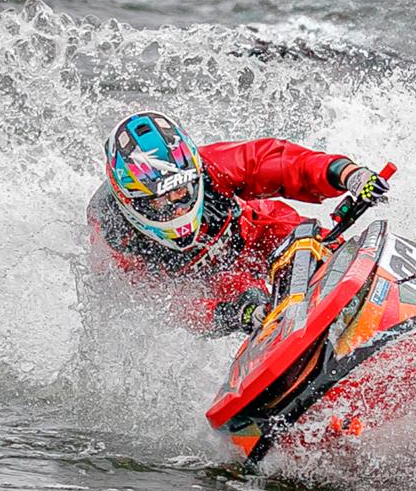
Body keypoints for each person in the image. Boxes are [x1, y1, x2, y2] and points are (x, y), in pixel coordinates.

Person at [86, 110, 389, 336]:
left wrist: (348, 174)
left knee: (303, 244)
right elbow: (162, 306)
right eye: (161, 201)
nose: (177, 206)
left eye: (182, 191)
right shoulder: (114, 237)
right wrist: (234, 315)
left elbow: (283, 162)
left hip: (256, 234)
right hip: (206, 288)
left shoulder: (212, 165)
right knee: (246, 296)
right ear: (131, 201)